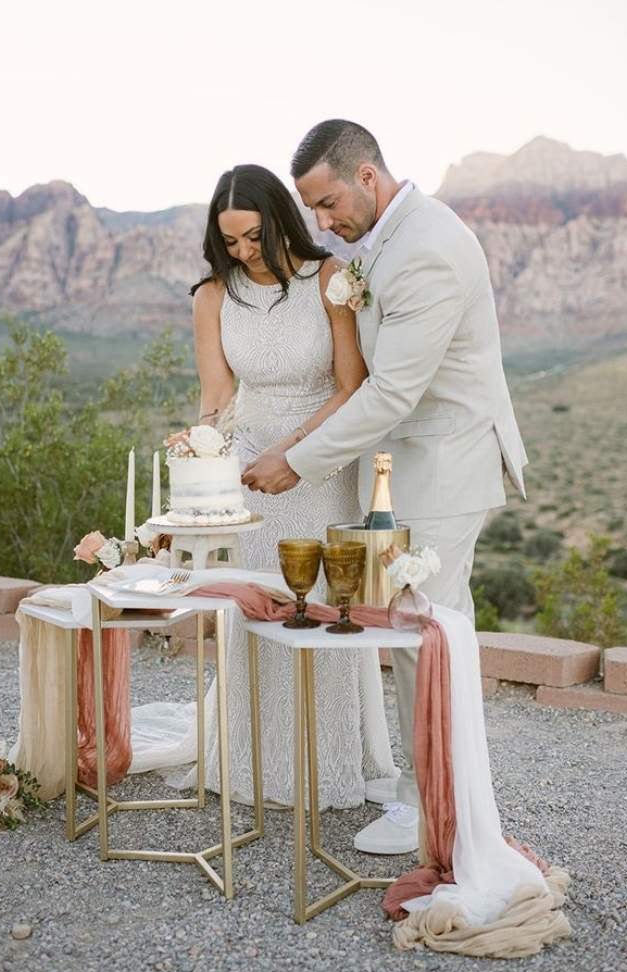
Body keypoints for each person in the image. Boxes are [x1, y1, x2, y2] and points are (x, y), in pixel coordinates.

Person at [243, 121, 527, 855]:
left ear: (367, 176)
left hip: (444, 463)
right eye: (311, 210)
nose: (322, 222)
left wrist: (298, 460)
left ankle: (437, 811)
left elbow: (394, 392)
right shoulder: (381, 243)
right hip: (407, 466)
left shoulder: (427, 249)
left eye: (328, 202)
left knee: (426, 636)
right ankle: (429, 794)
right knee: (414, 633)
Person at [132, 163, 399, 810]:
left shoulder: (333, 280)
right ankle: (251, 759)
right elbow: (216, 398)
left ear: (280, 219)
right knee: (258, 611)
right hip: (250, 472)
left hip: (320, 467)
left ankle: (327, 763)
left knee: (321, 615)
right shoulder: (213, 296)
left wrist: (293, 452)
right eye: (231, 243)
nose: (244, 252)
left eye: (254, 236)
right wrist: (201, 452)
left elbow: (350, 387)